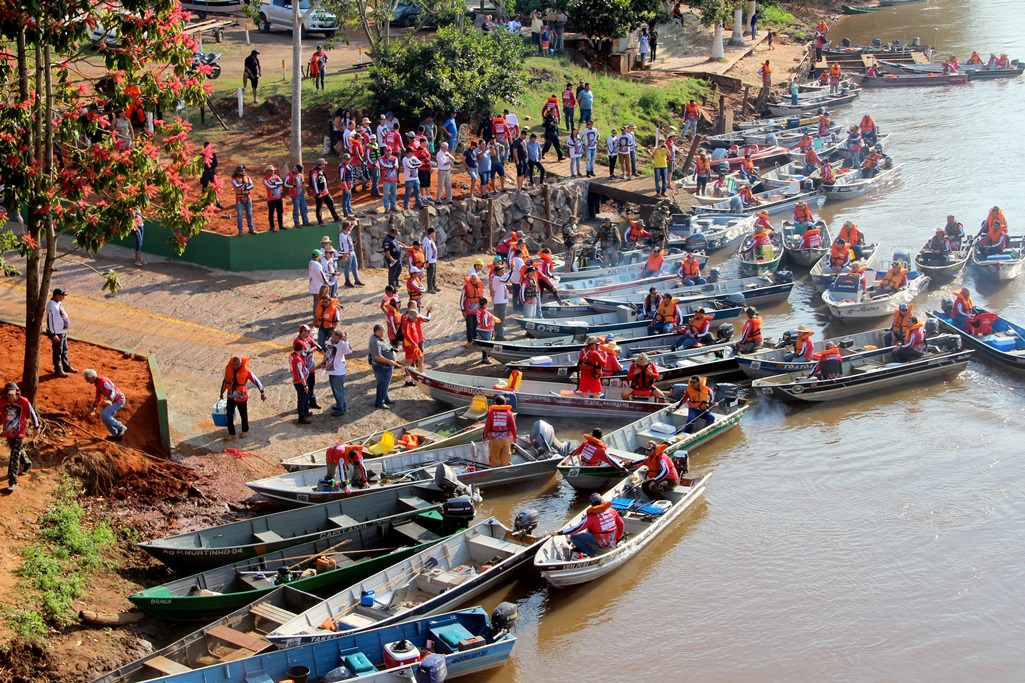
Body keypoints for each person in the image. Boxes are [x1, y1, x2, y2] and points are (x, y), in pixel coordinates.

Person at [553, 491, 624, 558]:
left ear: (591, 504)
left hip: (601, 542)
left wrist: (559, 533)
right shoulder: (612, 510)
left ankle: (592, 554)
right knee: (590, 529)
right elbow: (621, 524)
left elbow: (576, 528)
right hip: (611, 541)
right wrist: (617, 538)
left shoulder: (591, 517)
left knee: (573, 537)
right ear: (602, 502)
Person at [219, 355, 265, 441]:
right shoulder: (229, 371)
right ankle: (231, 433)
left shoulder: (247, 372)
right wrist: (221, 392)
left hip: (242, 398)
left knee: (243, 415)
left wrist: (262, 392)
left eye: (237, 365)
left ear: (241, 364)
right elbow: (225, 381)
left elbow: (256, 381)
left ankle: (244, 430)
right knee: (229, 415)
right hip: (231, 397)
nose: (235, 367)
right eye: (234, 365)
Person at [2, 382, 38, 491]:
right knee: (16, 450)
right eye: (8, 394)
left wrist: (36, 427)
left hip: (19, 432)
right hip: (8, 431)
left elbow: (32, 413)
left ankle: (12, 481)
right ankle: (27, 463)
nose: (10, 397)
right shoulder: (1, 400)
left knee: (14, 455)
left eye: (12, 394)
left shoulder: (24, 402)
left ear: (17, 392)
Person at [83, 369, 127, 441]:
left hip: (118, 400)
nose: (87, 381)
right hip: (114, 400)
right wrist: (95, 406)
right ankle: (116, 434)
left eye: (87, 379)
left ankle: (120, 427)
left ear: (93, 377)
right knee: (105, 417)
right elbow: (98, 395)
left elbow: (113, 390)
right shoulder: (97, 383)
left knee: (103, 414)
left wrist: (110, 399)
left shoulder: (103, 382)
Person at [45, 287, 76, 377]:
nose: (64, 297)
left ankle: (66, 366)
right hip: (57, 332)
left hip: (62, 331)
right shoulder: (51, 305)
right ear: (57, 295)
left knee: (64, 350)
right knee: (58, 351)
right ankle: (58, 370)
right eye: (62, 295)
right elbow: (49, 320)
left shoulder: (58, 303)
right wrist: (53, 334)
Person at [368, 324, 399, 410]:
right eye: (383, 330)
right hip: (382, 367)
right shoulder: (375, 342)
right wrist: (389, 361)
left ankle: (385, 398)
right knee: (382, 384)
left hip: (387, 366)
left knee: (385, 384)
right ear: (377, 331)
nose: (384, 332)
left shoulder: (379, 338)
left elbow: (386, 346)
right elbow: (378, 357)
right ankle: (379, 402)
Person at [323, 328, 351, 417]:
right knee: (335, 391)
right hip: (332, 370)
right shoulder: (330, 341)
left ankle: (341, 409)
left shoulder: (342, 344)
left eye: (336, 338)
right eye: (333, 337)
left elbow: (349, 351)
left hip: (338, 371)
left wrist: (346, 340)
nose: (334, 339)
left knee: (339, 391)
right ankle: (340, 405)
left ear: (340, 338)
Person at [400, 305, 432, 383]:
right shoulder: (407, 323)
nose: (416, 319)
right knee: (409, 362)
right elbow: (406, 335)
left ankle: (421, 376)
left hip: (413, 345)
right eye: (415, 318)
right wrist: (413, 343)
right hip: (410, 346)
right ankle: (410, 380)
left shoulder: (411, 321)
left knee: (419, 358)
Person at [483, 395, 516, 467]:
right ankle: (504, 471)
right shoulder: (509, 413)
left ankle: (494, 471)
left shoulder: (491, 413)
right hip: (505, 440)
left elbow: (487, 427)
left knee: (494, 458)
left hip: (495, 440)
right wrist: (515, 437)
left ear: (495, 403)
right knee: (505, 459)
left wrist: (485, 436)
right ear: (505, 403)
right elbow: (513, 427)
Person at [310, 158, 340, 225]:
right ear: (321, 164)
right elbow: (314, 183)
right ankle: (320, 221)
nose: (325, 165)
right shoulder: (314, 171)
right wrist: (317, 193)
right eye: (324, 164)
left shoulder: (321, 170)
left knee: (331, 203)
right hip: (319, 193)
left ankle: (336, 217)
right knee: (319, 207)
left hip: (325, 192)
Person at [460, 272, 485, 347]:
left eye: (475, 279)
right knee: (470, 326)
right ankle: (469, 340)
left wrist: (482, 309)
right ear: (470, 279)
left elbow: (481, 298)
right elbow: (462, 299)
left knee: (476, 325)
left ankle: (475, 339)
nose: (474, 280)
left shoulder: (479, 286)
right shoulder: (466, 287)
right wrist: (463, 310)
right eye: (473, 279)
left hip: (477, 309)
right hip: (468, 310)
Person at [337, 222, 365, 288]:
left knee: (355, 266)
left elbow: (351, 229)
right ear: (346, 227)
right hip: (347, 253)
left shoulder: (347, 233)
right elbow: (341, 246)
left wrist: (353, 224)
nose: (350, 227)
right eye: (349, 226)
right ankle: (347, 281)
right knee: (347, 267)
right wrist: (344, 254)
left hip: (352, 252)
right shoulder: (342, 235)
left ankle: (357, 280)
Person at [230, 165, 255, 234]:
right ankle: (240, 230)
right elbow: (238, 187)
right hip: (239, 199)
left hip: (248, 197)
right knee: (240, 215)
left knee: (249, 214)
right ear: (237, 172)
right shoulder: (234, 179)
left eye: (243, 170)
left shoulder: (247, 178)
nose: (243, 172)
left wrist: (244, 187)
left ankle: (251, 228)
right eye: (241, 171)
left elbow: (252, 186)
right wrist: (245, 185)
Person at [262, 165, 284, 232]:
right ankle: (272, 227)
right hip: (271, 199)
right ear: (267, 171)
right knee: (271, 213)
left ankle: (281, 225)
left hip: (278, 198)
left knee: (280, 212)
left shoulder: (276, 176)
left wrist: (275, 183)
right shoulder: (265, 179)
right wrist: (277, 184)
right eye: (271, 170)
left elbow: (281, 182)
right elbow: (270, 186)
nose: (273, 172)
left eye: (273, 170)